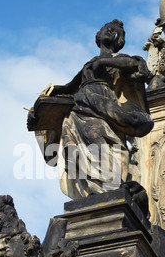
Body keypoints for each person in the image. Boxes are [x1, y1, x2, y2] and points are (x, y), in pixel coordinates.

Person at [30, 20, 153, 200]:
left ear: (119, 40)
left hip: (102, 103)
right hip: (80, 105)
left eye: (114, 31)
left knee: (98, 135)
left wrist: (105, 60)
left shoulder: (117, 59)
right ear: (98, 35)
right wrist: (54, 92)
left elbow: (134, 64)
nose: (109, 31)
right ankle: (91, 187)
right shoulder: (89, 64)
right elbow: (71, 85)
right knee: (72, 142)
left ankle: (109, 181)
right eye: (106, 29)